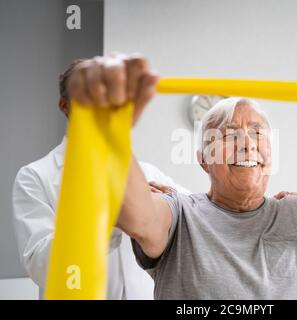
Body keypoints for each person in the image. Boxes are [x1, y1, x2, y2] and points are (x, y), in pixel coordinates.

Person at [68, 54, 297, 299]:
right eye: (231, 135)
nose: (247, 143)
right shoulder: (180, 213)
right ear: (203, 159)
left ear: (271, 151)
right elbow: (136, 215)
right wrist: (109, 130)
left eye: (257, 134)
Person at [12, 59, 190, 300]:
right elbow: (43, 267)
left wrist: (167, 205)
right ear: (65, 105)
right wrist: (111, 217)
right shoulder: (35, 177)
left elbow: (196, 219)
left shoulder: (148, 174)